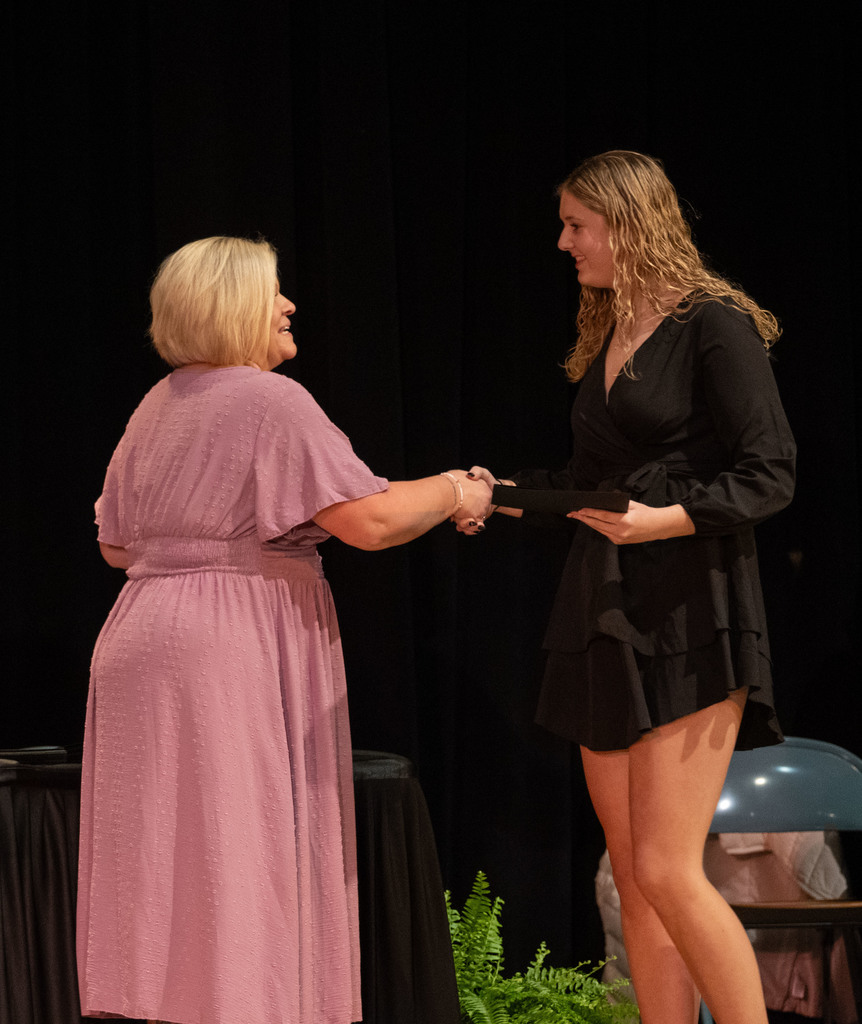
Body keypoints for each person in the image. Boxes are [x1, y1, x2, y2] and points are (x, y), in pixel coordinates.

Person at [76, 235, 491, 1024]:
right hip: (226, 642)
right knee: (238, 854)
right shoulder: (269, 401)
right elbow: (368, 520)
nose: (290, 305)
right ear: (232, 305)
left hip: (140, 633)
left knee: (162, 865)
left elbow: (112, 543)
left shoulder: (159, 402)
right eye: (274, 292)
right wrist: (455, 489)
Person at [463, 150, 796, 1023]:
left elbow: (770, 474)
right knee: (633, 876)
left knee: (664, 868)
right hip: (605, 608)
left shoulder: (711, 322)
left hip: (692, 603)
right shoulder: (611, 330)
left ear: (629, 222)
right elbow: (590, 482)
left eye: (578, 225)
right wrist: (491, 498)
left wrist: (666, 521)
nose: (565, 242)